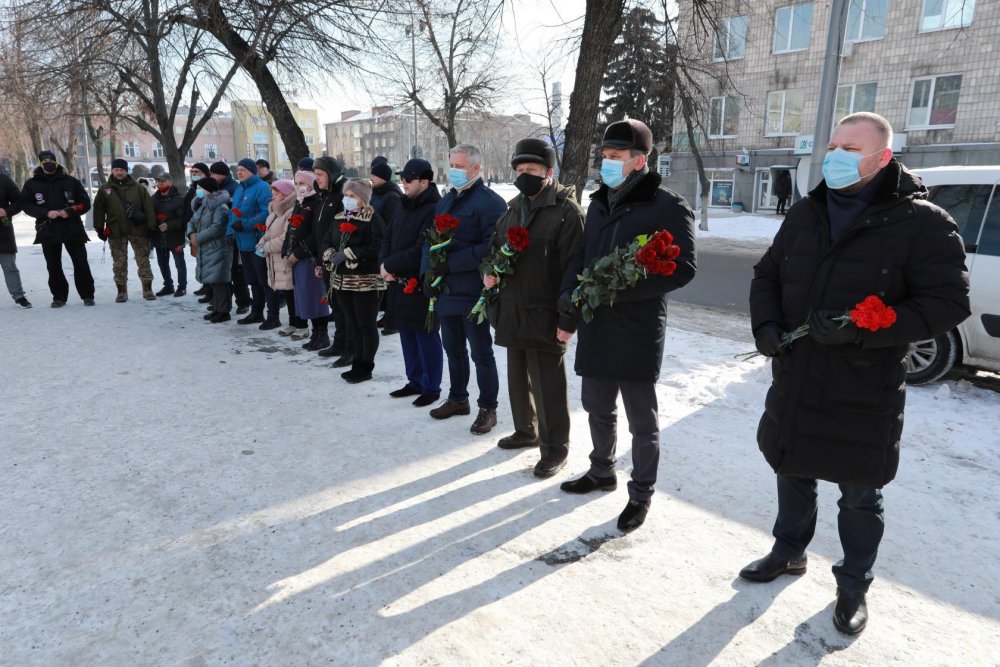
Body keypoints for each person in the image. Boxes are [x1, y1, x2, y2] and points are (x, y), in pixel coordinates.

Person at [741, 112, 970, 636]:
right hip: (797, 375)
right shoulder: (808, 210)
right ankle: (788, 550)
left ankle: (853, 584)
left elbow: (947, 303)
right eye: (833, 146)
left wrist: (865, 330)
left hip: (864, 387)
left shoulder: (923, 222)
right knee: (792, 469)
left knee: (860, 493)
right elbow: (768, 274)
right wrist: (767, 326)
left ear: (883, 158)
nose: (836, 157)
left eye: (850, 149)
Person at [558, 119, 696, 532]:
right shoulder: (600, 202)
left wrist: (619, 287)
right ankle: (601, 470)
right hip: (597, 323)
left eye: (614, 156)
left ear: (639, 160)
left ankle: (641, 494)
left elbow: (683, 268)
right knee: (596, 406)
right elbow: (582, 255)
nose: (606, 163)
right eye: (604, 156)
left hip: (637, 327)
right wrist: (569, 295)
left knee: (641, 421)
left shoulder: (668, 205)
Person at [486, 138, 585, 478]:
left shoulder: (567, 212)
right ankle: (525, 430)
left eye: (531, 169)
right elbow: (494, 249)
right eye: (519, 169)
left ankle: (555, 448)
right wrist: (489, 272)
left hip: (546, 313)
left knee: (548, 385)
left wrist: (568, 318)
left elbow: (576, 270)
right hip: (513, 309)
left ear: (549, 172)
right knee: (517, 378)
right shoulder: (514, 208)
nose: (524, 174)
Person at [421, 143, 506, 434]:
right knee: (453, 349)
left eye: (459, 166)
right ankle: (458, 398)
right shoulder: (447, 200)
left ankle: (488, 408)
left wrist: (450, 264)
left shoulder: (491, 203)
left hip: (473, 291)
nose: (453, 171)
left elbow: (490, 247)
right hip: (445, 290)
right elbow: (430, 240)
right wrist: (427, 273)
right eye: (452, 165)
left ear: (476, 168)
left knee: (481, 353)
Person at [379, 158, 443, 406]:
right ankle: (414, 381)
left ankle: (431, 386)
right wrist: (384, 265)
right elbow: (387, 236)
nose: (403, 183)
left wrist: (390, 265)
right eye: (402, 179)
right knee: (406, 333)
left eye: (408, 179)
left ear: (424, 182)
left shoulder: (434, 208)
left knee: (425, 335)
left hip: (420, 281)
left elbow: (421, 250)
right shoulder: (403, 204)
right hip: (398, 280)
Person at [323, 178, 385, 383]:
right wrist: (330, 253)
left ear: (363, 199)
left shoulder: (372, 218)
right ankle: (356, 363)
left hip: (365, 280)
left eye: (352, 196)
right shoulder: (339, 217)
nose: (347, 199)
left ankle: (366, 366)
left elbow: (377, 246)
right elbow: (327, 239)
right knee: (352, 324)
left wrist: (350, 254)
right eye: (346, 195)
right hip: (342, 279)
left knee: (366, 324)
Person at [20, 151, 96, 308]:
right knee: (53, 266)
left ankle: (87, 295)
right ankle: (59, 297)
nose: (48, 162)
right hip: (47, 229)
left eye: (51, 160)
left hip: (72, 228)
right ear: (40, 163)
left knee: (81, 263)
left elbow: (85, 203)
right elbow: (26, 205)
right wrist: (46, 213)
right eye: (44, 161)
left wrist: (69, 211)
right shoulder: (32, 184)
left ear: (56, 161)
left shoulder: (71, 181)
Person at [92, 158, 158, 302]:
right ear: (112, 171)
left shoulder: (138, 188)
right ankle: (121, 291)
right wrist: (99, 228)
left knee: (143, 260)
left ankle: (147, 289)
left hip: (138, 230)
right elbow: (98, 210)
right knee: (119, 262)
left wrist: (151, 226)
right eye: (116, 170)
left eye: (122, 170)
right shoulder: (105, 189)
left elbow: (149, 208)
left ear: (126, 171)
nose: (119, 172)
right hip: (115, 230)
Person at [283, 169, 331, 344]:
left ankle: (322, 333)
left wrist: (297, 253)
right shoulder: (300, 202)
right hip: (297, 257)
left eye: (302, 183)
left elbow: (316, 233)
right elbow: (291, 228)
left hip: (310, 256)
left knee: (315, 297)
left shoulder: (317, 202)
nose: (299, 187)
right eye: (296, 184)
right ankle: (315, 333)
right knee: (304, 297)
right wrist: (286, 250)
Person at [314, 156, 353, 365]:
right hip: (327, 258)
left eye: (320, 174)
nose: (316, 178)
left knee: (345, 307)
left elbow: (344, 229)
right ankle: (339, 342)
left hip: (341, 261)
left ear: (331, 174)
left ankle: (349, 348)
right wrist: (320, 260)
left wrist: (337, 255)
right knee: (335, 305)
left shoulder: (342, 194)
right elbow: (321, 230)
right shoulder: (325, 195)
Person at [229, 157, 274, 325]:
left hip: (257, 240)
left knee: (264, 280)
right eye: (238, 170)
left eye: (243, 170)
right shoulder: (239, 189)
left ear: (252, 171)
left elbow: (266, 212)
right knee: (252, 280)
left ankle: (272, 315)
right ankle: (256, 312)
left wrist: (246, 224)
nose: (239, 173)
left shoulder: (262, 187)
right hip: (242, 242)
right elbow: (233, 213)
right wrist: (229, 232)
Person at [256, 179, 304, 331]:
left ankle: (298, 323)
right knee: (287, 292)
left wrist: (267, 247)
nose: (273, 196)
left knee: (292, 292)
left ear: (286, 194)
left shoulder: (291, 211)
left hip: (284, 258)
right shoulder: (275, 211)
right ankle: (292, 323)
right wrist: (261, 243)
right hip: (274, 259)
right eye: (272, 193)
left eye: (276, 194)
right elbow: (269, 232)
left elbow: (285, 237)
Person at [186, 177, 233, 323]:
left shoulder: (220, 207)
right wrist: (191, 234)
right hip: (206, 248)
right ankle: (216, 309)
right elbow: (192, 221)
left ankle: (223, 311)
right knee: (213, 281)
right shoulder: (202, 205)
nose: (198, 191)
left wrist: (198, 237)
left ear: (209, 189)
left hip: (218, 248)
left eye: (200, 188)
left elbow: (217, 227)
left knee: (220, 281)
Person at [208, 161, 250, 313]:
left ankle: (243, 302)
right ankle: (222, 302)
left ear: (222, 174)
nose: (211, 176)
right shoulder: (219, 188)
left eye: (213, 174)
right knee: (223, 271)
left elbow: (233, 213)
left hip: (233, 234)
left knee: (236, 271)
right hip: (222, 235)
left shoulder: (233, 189)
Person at [370, 156, 403, 335]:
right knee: (384, 284)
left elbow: (392, 223)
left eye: (374, 175)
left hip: (388, 244)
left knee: (391, 284)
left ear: (383, 177)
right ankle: (387, 316)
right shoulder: (377, 193)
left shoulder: (392, 195)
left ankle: (394, 320)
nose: (371, 178)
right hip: (378, 242)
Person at [151, 173, 187, 297]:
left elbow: (183, 219)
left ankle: (182, 287)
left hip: (175, 237)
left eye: (163, 181)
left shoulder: (179, 199)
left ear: (170, 182)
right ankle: (168, 286)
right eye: (158, 181)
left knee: (179, 264)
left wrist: (169, 225)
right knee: (162, 264)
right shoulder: (153, 199)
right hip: (159, 237)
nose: (160, 183)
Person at [1, 171, 31, 308]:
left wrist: (6, 211)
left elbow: (19, 202)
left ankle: (19, 296)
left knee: (9, 266)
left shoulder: (4, 180)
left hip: (3, 231)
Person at [185, 163, 212, 299]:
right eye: (193, 172)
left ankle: (210, 288)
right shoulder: (192, 188)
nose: (194, 174)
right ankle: (205, 284)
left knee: (209, 261)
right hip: (194, 228)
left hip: (205, 229)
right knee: (200, 259)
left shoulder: (208, 187)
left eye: (197, 172)